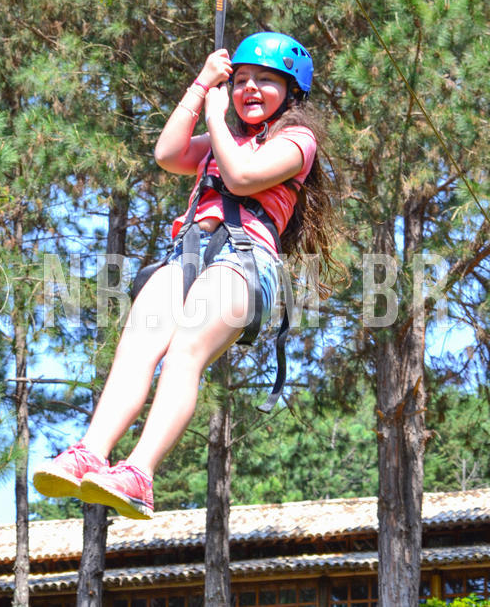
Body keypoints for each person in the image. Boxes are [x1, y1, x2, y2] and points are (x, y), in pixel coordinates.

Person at [33, 32, 337, 520]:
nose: (249, 89)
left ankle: (139, 472)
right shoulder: (223, 136)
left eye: (265, 80)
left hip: (244, 262)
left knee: (183, 354)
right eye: (239, 80)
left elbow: (240, 178)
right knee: (136, 349)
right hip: (187, 253)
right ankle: (91, 449)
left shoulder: (298, 141)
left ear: (292, 92)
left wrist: (217, 114)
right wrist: (201, 87)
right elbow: (168, 153)